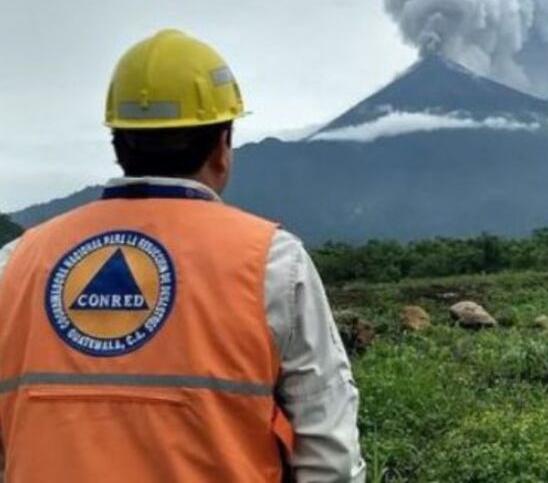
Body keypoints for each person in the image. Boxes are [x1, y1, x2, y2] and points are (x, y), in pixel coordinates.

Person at [0, 29, 365, 482]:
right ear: (223, 143)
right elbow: (329, 451)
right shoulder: (270, 263)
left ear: (118, 142)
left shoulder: (16, 262)